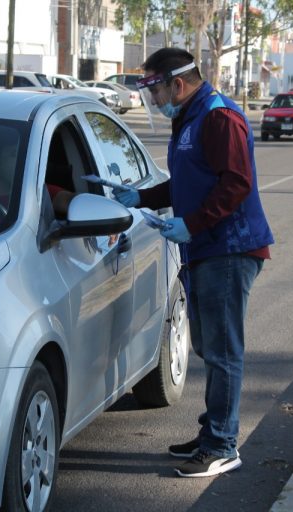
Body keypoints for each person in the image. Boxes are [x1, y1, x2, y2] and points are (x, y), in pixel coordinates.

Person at [113, 48, 274, 478]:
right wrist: (140, 198)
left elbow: (236, 184)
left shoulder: (219, 117)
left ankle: (223, 445)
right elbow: (188, 182)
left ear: (177, 84)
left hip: (229, 248)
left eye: (155, 88)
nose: (154, 99)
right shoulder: (190, 116)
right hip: (205, 248)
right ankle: (212, 434)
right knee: (208, 347)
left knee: (222, 352)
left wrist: (193, 224)